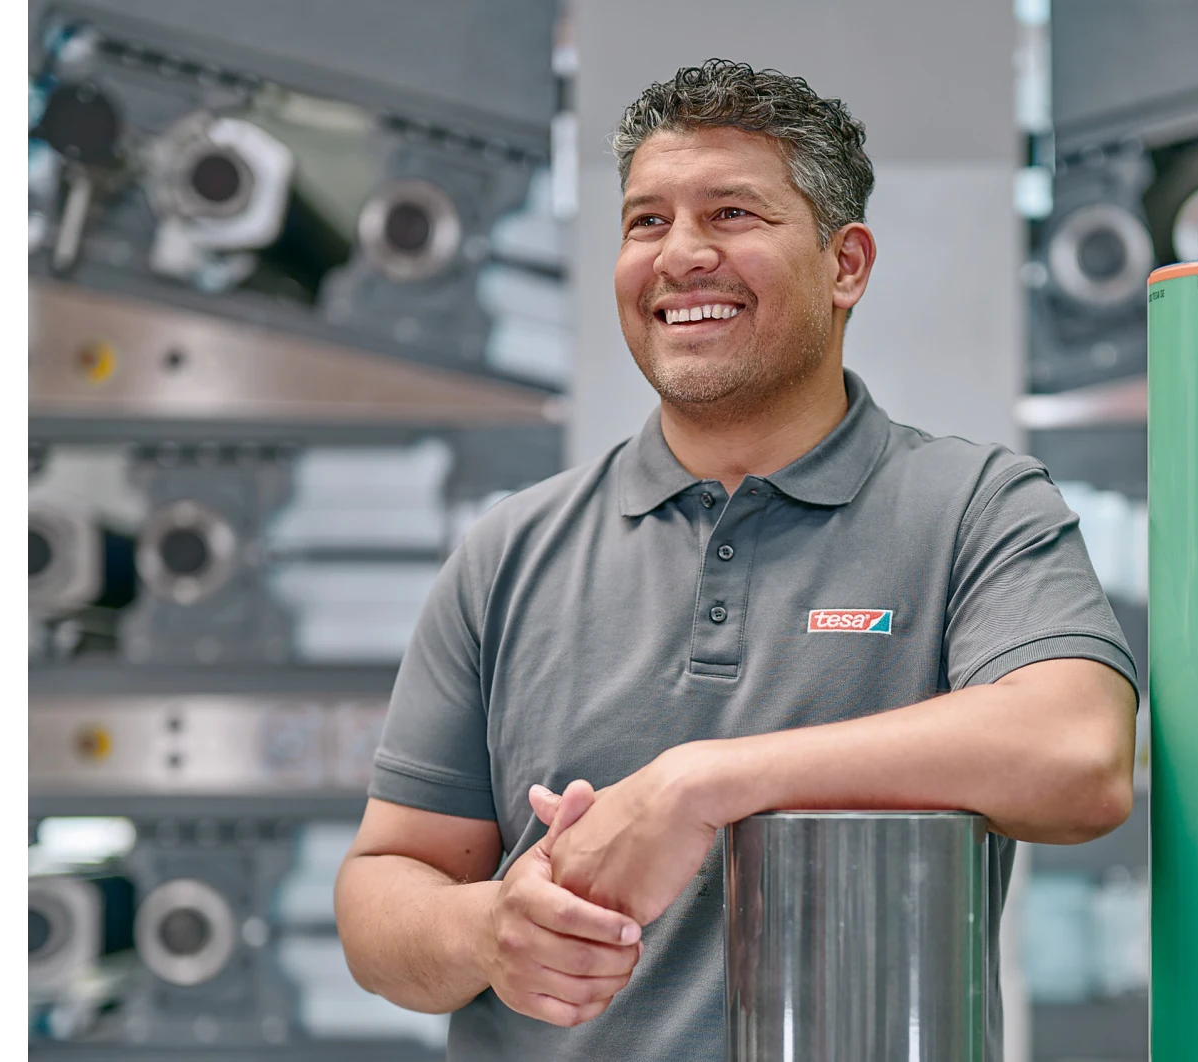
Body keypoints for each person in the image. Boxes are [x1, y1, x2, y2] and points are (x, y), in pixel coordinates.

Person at [333, 58, 1139, 1060]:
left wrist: (699, 787)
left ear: (846, 265)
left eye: (731, 214)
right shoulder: (510, 552)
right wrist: (489, 930)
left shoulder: (974, 508)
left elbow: (1078, 755)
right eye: (646, 221)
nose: (680, 255)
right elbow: (385, 888)